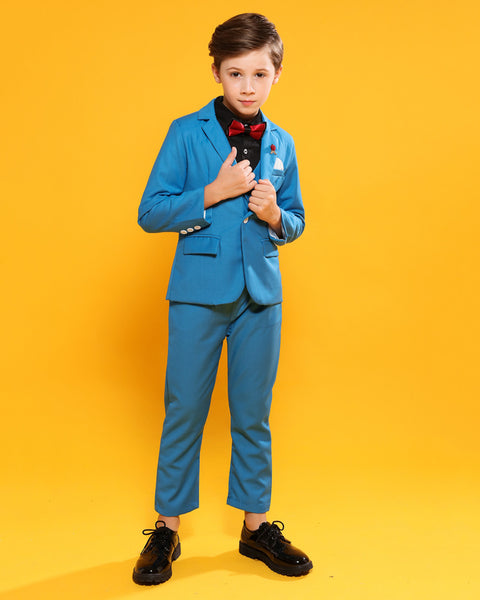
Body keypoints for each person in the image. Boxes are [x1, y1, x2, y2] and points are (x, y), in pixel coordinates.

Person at [132, 12, 312, 585]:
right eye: (236, 74)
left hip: (261, 296)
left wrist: (275, 215)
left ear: (277, 74)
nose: (248, 87)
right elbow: (151, 211)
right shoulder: (186, 133)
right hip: (198, 294)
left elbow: (296, 221)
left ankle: (256, 528)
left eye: (260, 74)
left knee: (253, 415)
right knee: (184, 409)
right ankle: (166, 530)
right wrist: (212, 192)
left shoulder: (282, 142)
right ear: (217, 72)